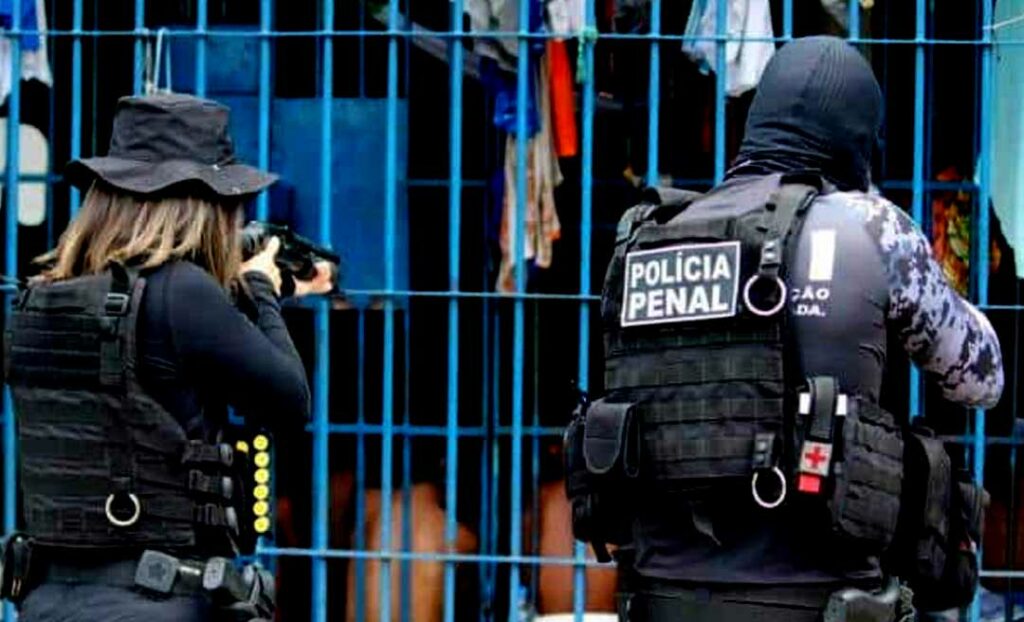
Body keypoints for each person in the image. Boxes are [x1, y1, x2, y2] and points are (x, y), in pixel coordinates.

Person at [566, 36, 1005, 622]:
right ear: (857, 137)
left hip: (656, 599)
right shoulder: (871, 226)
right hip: (821, 603)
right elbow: (981, 379)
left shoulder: (649, 234)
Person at [0, 93, 332, 621]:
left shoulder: (39, 300)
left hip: (47, 602)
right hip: (158, 601)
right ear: (202, 207)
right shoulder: (182, 294)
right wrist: (262, 289)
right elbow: (290, 401)